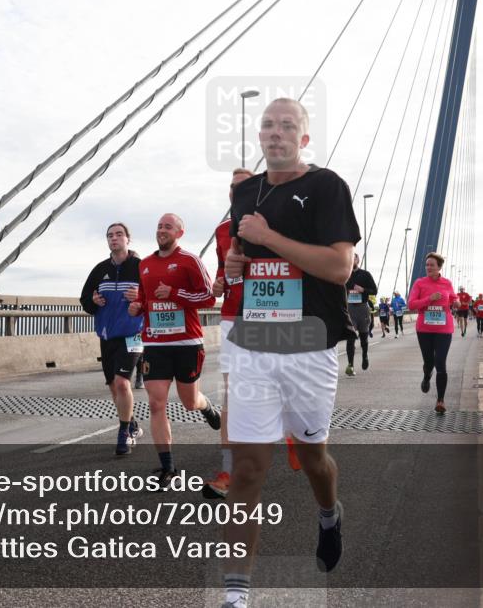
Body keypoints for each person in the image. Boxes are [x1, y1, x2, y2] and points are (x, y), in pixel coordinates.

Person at [222, 97, 359, 605]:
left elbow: (339, 268)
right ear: (260, 138)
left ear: (303, 139)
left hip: (309, 345)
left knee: (312, 456)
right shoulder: (246, 192)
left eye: (287, 127)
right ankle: (237, 595)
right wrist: (236, 262)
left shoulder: (326, 186)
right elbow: (242, 252)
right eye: (267, 126)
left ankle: (329, 514)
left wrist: (267, 237)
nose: (275, 133)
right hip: (255, 344)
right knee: (247, 469)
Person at [126, 213, 221, 486]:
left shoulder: (189, 261)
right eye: (159, 226)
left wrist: (176, 294)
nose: (162, 230)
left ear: (179, 232)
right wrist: (137, 307)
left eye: (168, 226)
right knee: (156, 404)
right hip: (155, 343)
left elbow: (209, 297)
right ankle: (167, 468)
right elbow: (143, 300)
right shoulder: (144, 264)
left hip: (187, 343)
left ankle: (207, 407)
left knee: (190, 402)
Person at [204, 167, 254, 499]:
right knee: (231, 395)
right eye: (232, 187)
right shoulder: (222, 231)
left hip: (271, 320)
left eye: (244, 186)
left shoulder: (273, 227)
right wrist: (218, 284)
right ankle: (228, 470)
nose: (236, 192)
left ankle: (295, 432)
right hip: (233, 318)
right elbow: (221, 278)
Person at [80, 222, 145, 456]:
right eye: (110, 235)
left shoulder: (141, 267)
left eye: (119, 234)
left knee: (122, 383)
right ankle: (132, 423)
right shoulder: (100, 270)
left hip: (133, 334)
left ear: (128, 239)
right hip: (107, 336)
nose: (114, 238)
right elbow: (85, 300)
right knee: (113, 387)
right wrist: (93, 302)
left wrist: (141, 296)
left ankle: (124, 433)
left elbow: (155, 300)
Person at [407, 252, 456, 414]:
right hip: (425, 329)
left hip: (444, 329)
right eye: (427, 265)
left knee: (441, 363)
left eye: (432, 265)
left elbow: (453, 298)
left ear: (439, 267)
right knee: (429, 362)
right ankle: (427, 375)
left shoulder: (447, 283)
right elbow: (412, 305)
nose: (428, 267)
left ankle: (440, 400)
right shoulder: (420, 283)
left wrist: (456, 301)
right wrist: (429, 299)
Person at [344, 254, 377, 375]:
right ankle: (350, 365)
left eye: (355, 258)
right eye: (350, 257)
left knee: (364, 337)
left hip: (363, 308)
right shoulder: (343, 274)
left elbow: (375, 290)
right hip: (350, 309)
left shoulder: (365, 274)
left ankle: (365, 356)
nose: (353, 260)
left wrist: (363, 290)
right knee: (350, 338)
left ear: (358, 260)